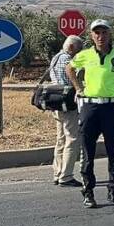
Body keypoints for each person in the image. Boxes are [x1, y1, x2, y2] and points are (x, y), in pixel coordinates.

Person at [66, 19, 114, 209]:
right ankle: (88, 193)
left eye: (104, 33)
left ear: (110, 35)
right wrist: (78, 87)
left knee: (113, 151)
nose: (101, 36)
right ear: (92, 36)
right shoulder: (84, 55)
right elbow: (69, 68)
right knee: (87, 152)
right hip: (90, 108)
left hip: (112, 108)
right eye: (97, 33)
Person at [49, 35, 84, 186]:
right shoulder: (67, 60)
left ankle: (57, 173)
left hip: (55, 103)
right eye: (78, 50)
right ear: (71, 47)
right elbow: (73, 81)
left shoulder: (55, 58)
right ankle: (67, 176)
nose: (79, 53)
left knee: (61, 139)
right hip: (68, 103)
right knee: (72, 138)